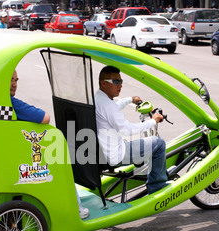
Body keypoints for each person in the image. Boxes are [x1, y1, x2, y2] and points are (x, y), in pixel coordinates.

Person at [11, 70, 90, 218]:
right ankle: (76, 208)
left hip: (11, 152)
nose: (14, 84)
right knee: (60, 162)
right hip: (23, 157)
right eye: (10, 80)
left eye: (16, 80)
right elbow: (45, 118)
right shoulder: (12, 103)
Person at [95, 66, 167, 195]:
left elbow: (114, 109)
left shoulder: (98, 98)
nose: (120, 85)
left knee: (144, 144)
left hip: (104, 151)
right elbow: (127, 130)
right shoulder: (107, 105)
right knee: (159, 144)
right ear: (104, 83)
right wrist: (153, 121)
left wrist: (130, 100)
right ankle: (157, 187)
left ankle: (145, 166)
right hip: (117, 154)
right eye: (116, 82)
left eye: (121, 81)